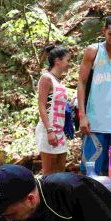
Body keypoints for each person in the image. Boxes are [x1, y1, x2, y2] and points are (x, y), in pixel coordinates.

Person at [77, 16, 111, 177]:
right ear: (104, 31)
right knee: (90, 173)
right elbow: (81, 82)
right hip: (94, 122)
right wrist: (82, 115)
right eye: (110, 33)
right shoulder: (94, 51)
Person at [35, 45, 70, 175]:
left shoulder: (58, 81)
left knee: (61, 172)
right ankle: (46, 195)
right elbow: (42, 105)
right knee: (49, 174)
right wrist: (49, 130)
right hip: (48, 130)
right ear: (58, 61)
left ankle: (58, 196)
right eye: (67, 60)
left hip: (59, 131)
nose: (69, 64)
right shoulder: (46, 78)